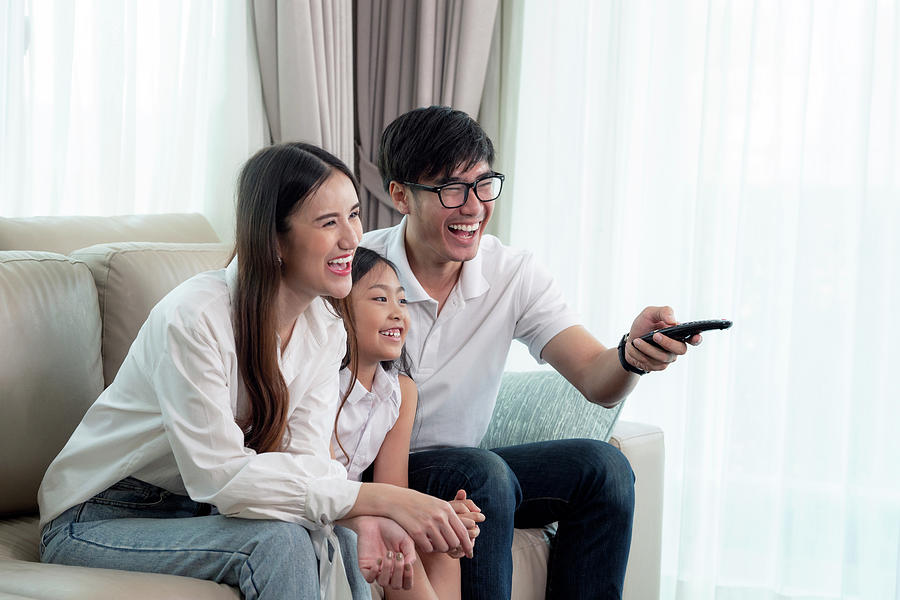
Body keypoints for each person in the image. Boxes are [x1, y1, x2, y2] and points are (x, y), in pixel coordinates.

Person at [37, 142, 475, 600]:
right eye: (329, 223)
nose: (351, 239)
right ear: (274, 240)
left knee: (340, 538)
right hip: (99, 515)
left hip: (200, 513)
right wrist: (381, 501)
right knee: (281, 544)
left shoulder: (326, 330)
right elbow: (217, 474)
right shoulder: (195, 317)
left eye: (354, 215)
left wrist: (363, 518)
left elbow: (304, 462)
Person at [361, 106, 702, 600]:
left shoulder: (513, 273)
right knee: (483, 474)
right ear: (400, 196)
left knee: (603, 469)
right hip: (379, 469)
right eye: (451, 189)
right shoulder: (359, 272)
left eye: (484, 184)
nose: (474, 206)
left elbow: (594, 377)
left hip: (467, 469)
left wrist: (631, 355)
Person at [330, 246, 486, 600]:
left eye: (402, 301)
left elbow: (395, 492)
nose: (398, 313)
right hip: (321, 507)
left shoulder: (401, 392)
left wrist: (443, 514)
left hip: (368, 504)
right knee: (394, 539)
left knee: (439, 544)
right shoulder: (321, 385)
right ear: (338, 309)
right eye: (380, 299)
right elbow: (317, 490)